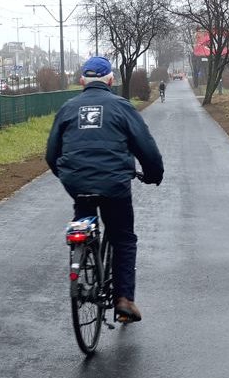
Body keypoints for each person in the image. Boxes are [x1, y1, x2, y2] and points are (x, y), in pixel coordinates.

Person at [46, 56, 164, 323]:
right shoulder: (122, 107)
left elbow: (52, 154)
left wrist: (67, 176)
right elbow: (145, 147)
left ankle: (83, 257)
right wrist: (154, 174)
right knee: (123, 237)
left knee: (84, 220)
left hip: (76, 183)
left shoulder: (67, 108)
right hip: (114, 185)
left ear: (81, 82)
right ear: (111, 80)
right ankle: (124, 300)